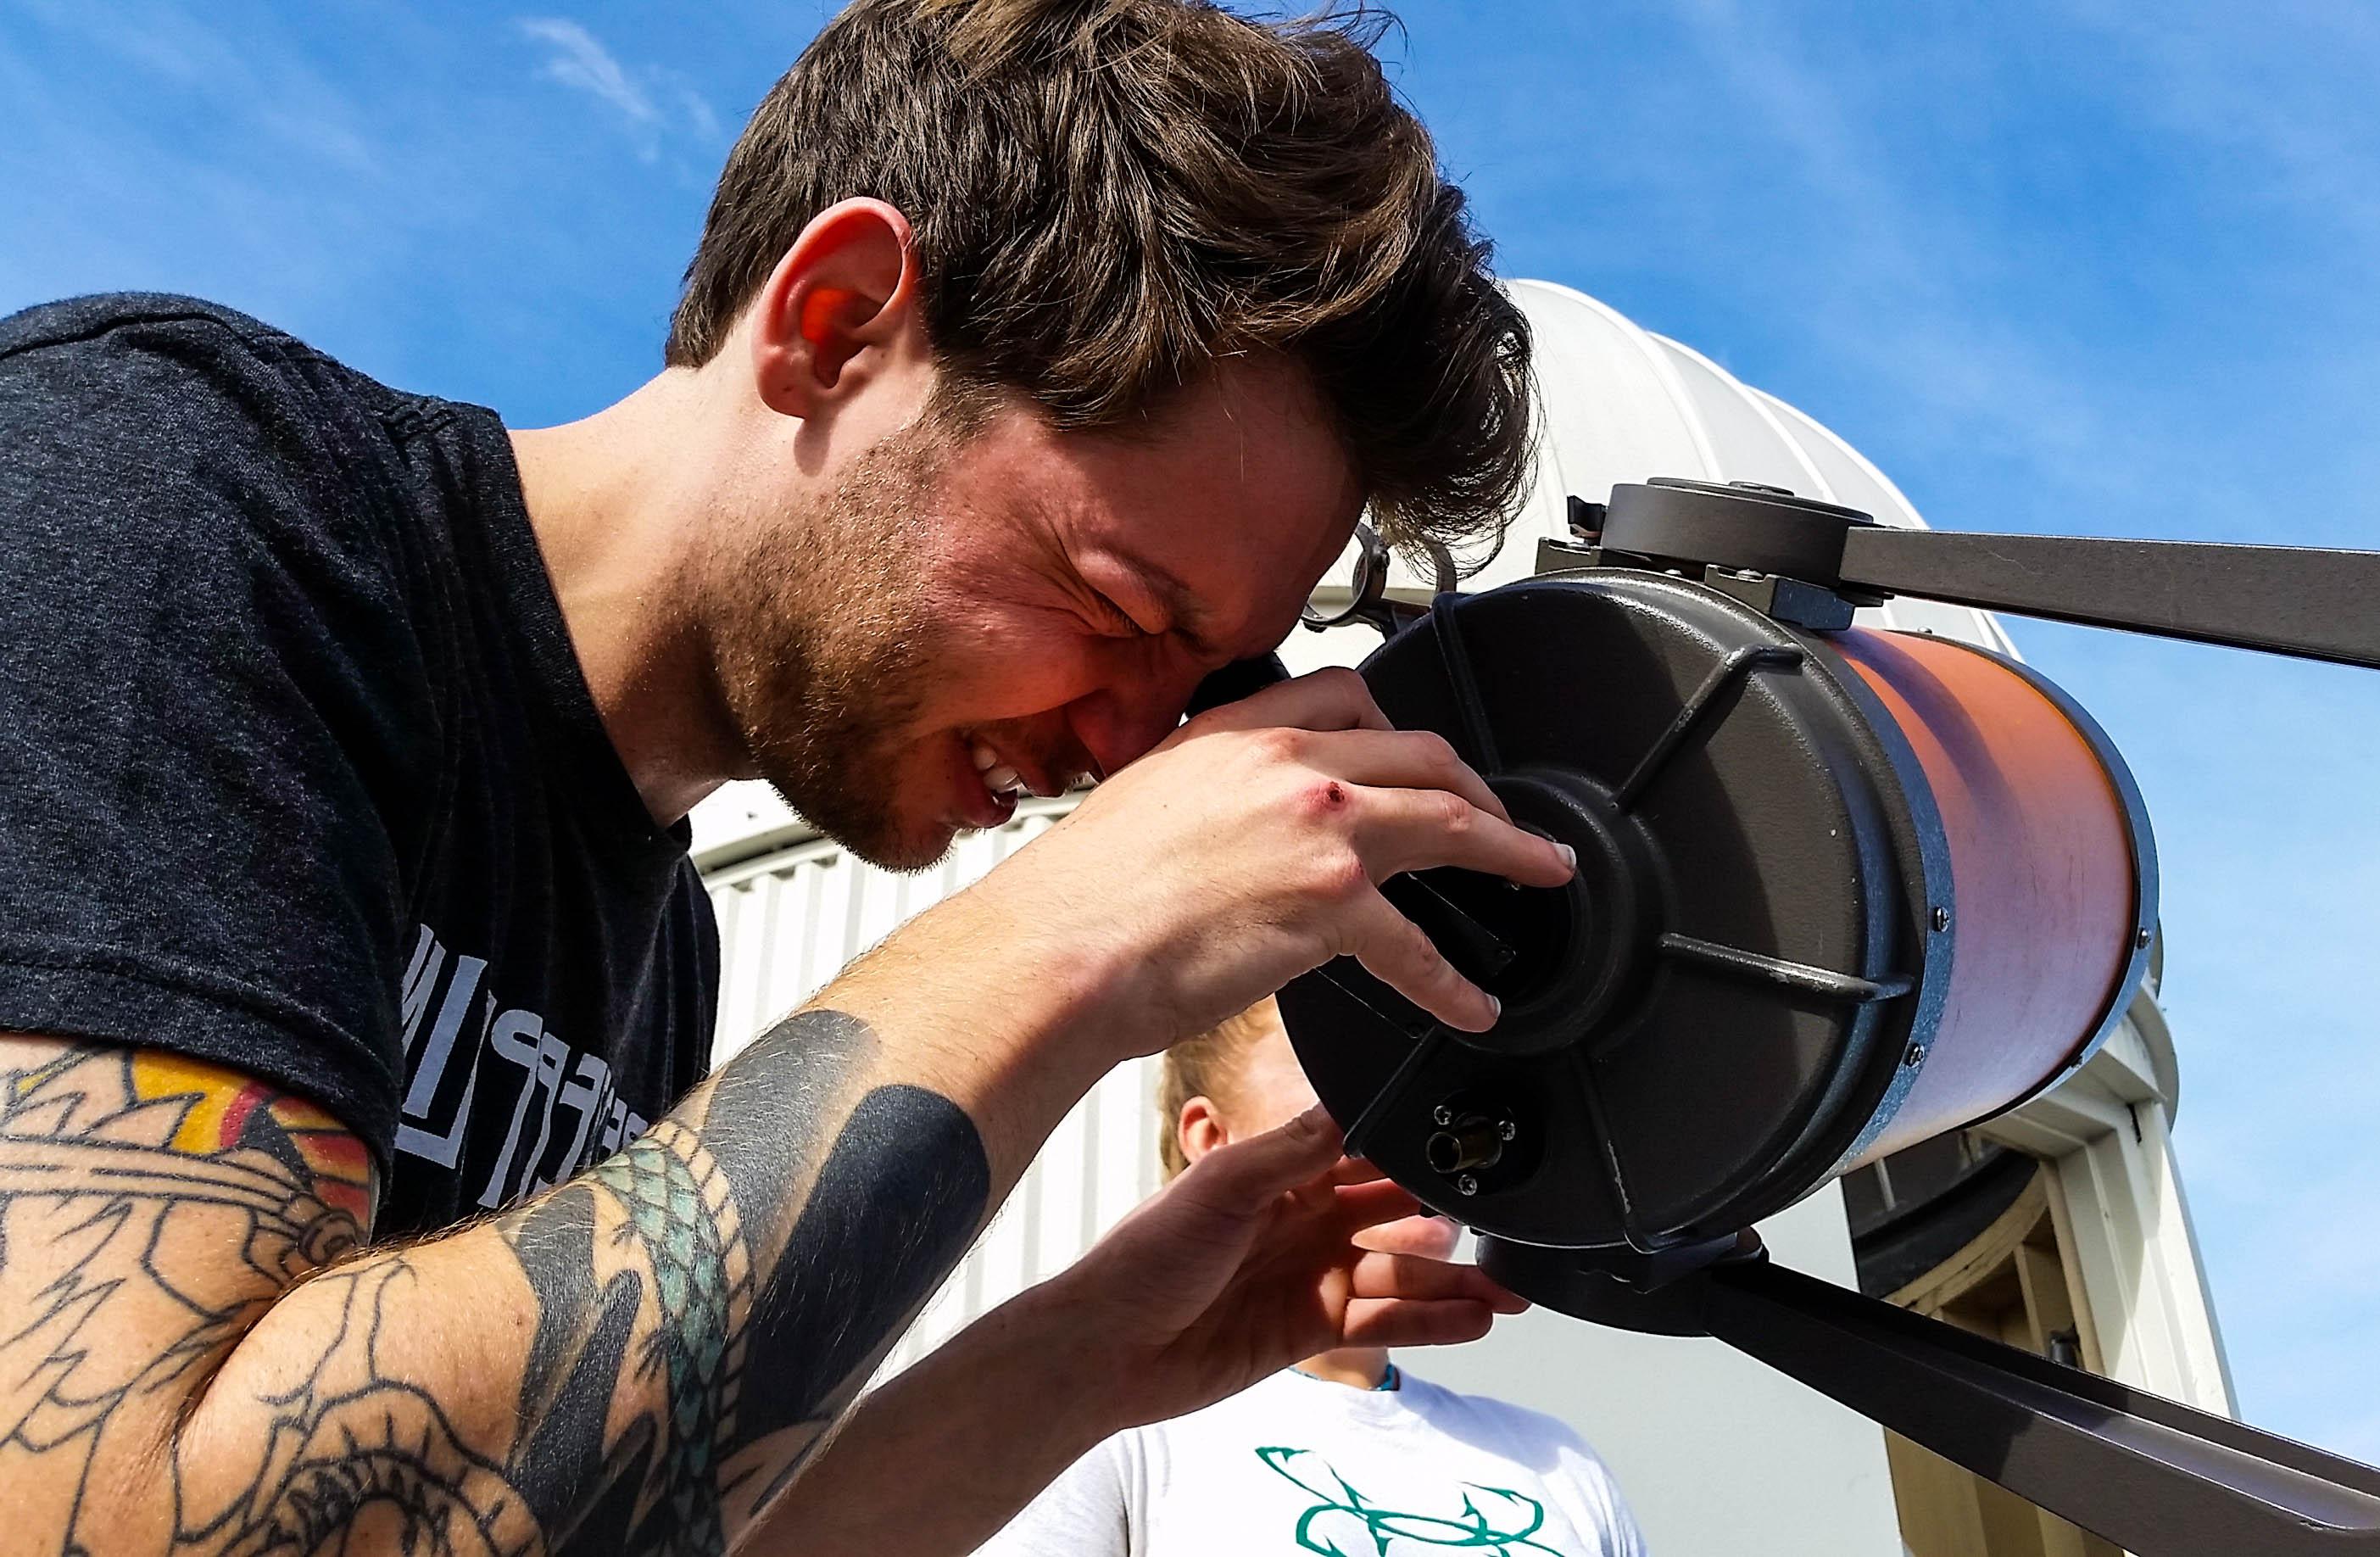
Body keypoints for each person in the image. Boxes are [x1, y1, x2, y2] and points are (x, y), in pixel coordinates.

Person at [0, 3, 1577, 1554]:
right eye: (1114, 607)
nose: (1116, 755)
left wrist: (1091, 1360)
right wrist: (1065, 935)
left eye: (1196, 679)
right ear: (833, 325)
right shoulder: (176, 501)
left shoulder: (655, 939)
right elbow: (107, 1515)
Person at [979, 998, 1649, 1557]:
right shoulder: (1106, 1421)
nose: (1412, 1109)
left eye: (1430, 1071)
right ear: (1213, 1141)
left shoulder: (1559, 1461)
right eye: (1350, 1070)